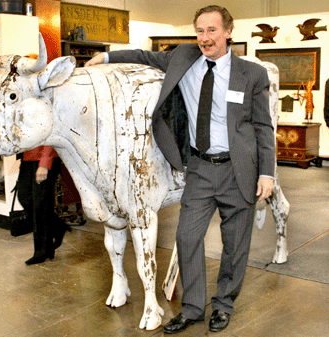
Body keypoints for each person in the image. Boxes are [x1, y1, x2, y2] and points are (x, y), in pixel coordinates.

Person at [85, 5, 275, 333]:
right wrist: (104, 58)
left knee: (235, 245)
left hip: (239, 170)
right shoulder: (184, 57)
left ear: (228, 31)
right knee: (187, 238)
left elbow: (263, 126)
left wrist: (267, 173)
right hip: (200, 168)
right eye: (200, 31)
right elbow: (144, 56)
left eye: (212, 30)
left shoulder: (250, 74)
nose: (205, 38)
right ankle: (192, 308)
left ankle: (224, 305)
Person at [17, 146, 69, 265]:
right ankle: (58, 226)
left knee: (41, 204)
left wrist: (44, 163)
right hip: (28, 156)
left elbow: (49, 135)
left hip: (43, 157)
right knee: (24, 197)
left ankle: (42, 251)